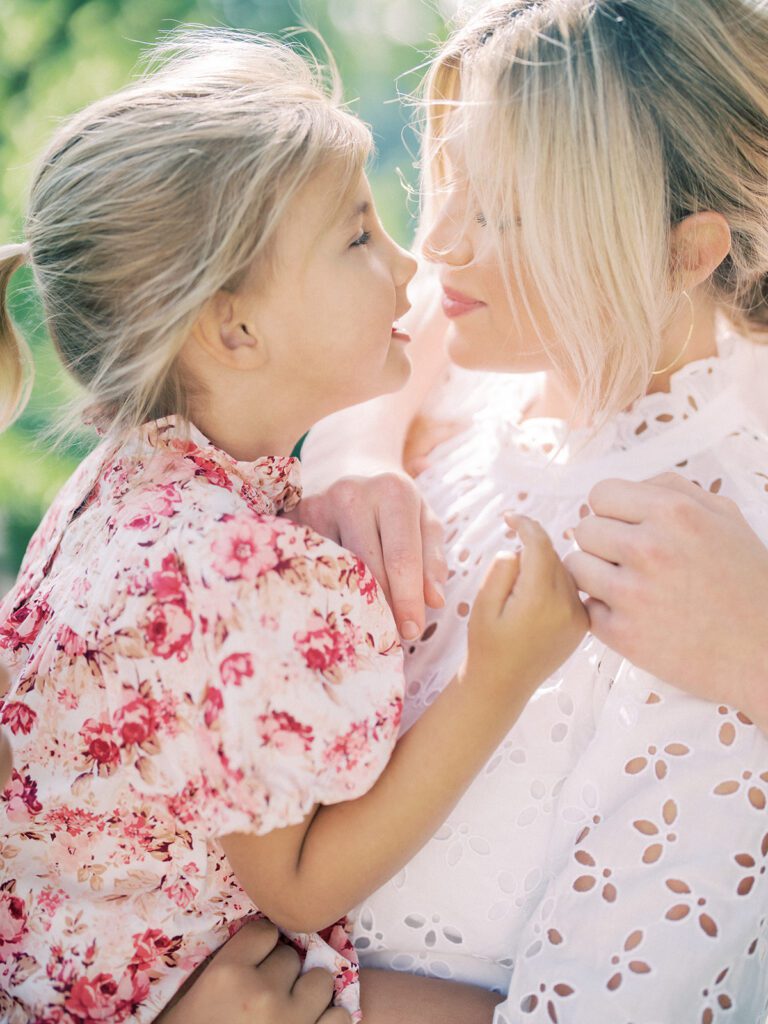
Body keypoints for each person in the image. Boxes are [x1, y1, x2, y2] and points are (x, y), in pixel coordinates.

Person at [0, 26, 585, 1024]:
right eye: (359, 236)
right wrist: (501, 677)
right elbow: (303, 884)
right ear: (235, 329)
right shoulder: (223, 576)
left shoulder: (135, 483)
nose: (410, 262)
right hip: (173, 994)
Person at [295, 1, 768, 1019]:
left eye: (507, 213)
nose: (433, 247)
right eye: (448, 179)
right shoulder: (507, 378)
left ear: (690, 253)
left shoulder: (691, 584)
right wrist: (355, 439)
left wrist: (295, 1003)